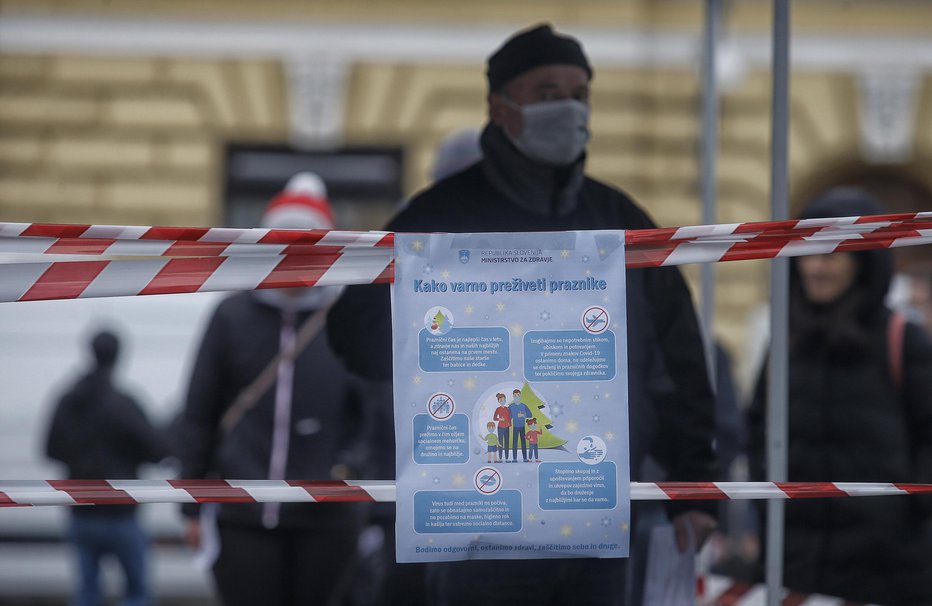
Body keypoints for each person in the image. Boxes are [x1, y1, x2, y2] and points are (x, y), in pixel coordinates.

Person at [328, 23, 718, 606]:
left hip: (594, 518)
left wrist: (694, 491)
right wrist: (431, 327)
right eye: (546, 94)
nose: (568, 108)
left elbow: (679, 360)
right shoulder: (440, 218)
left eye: (579, 94)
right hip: (476, 525)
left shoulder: (619, 221)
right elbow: (354, 337)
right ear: (500, 107)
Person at [177, 172, 368, 606]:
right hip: (240, 517)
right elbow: (198, 414)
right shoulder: (230, 315)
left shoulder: (347, 321)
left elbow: (373, 414)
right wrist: (190, 507)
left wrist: (348, 468)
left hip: (328, 519)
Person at [747, 188, 932, 605]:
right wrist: (767, 518)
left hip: (886, 574)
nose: (816, 267)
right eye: (809, 254)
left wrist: (908, 524)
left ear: (863, 263)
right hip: (792, 567)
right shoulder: (785, 344)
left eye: (831, 254)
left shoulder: (903, 340)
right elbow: (756, 429)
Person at [45, 330, 168, 606]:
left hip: (80, 512)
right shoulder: (123, 403)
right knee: (137, 592)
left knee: (87, 593)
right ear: (119, 355)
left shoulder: (68, 400)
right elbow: (158, 450)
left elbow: (49, 449)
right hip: (121, 513)